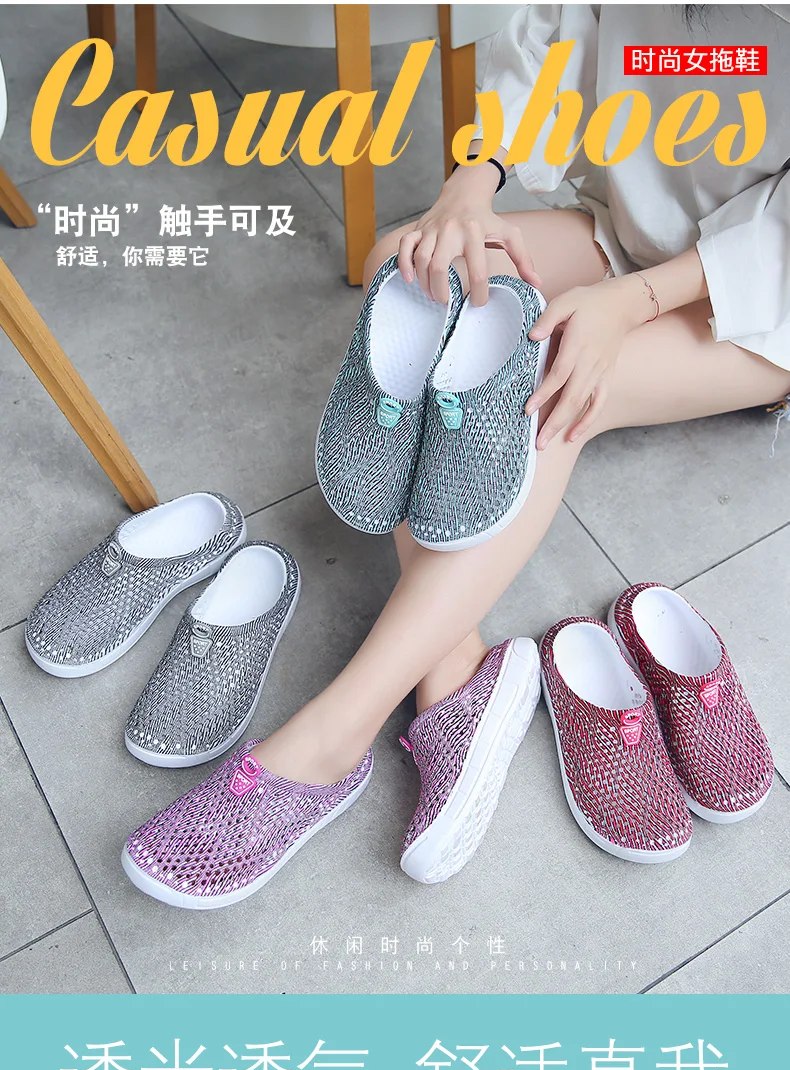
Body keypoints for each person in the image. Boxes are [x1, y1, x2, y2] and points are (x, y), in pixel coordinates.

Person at [124, 4, 790, 904]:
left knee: (550, 379)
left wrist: (629, 306)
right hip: (622, 231)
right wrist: (471, 187)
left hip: (752, 305)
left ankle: (333, 735)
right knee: (411, 274)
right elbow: (557, 30)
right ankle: (454, 675)